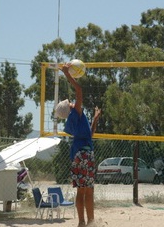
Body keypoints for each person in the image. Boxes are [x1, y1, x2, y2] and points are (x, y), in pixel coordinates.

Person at [55, 62, 101, 227]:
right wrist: (67, 73)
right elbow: (79, 91)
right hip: (85, 154)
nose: (73, 102)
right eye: (71, 103)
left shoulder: (71, 122)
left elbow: (89, 135)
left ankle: (82, 222)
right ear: (70, 107)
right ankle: (91, 222)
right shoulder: (76, 112)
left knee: (81, 190)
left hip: (77, 155)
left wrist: (95, 119)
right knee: (89, 191)